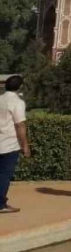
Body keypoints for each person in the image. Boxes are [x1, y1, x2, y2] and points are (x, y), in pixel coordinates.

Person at [0, 75, 31, 215]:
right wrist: (25, 145)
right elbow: (20, 125)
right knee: (4, 175)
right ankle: (1, 205)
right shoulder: (17, 102)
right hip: (9, 144)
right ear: (20, 87)